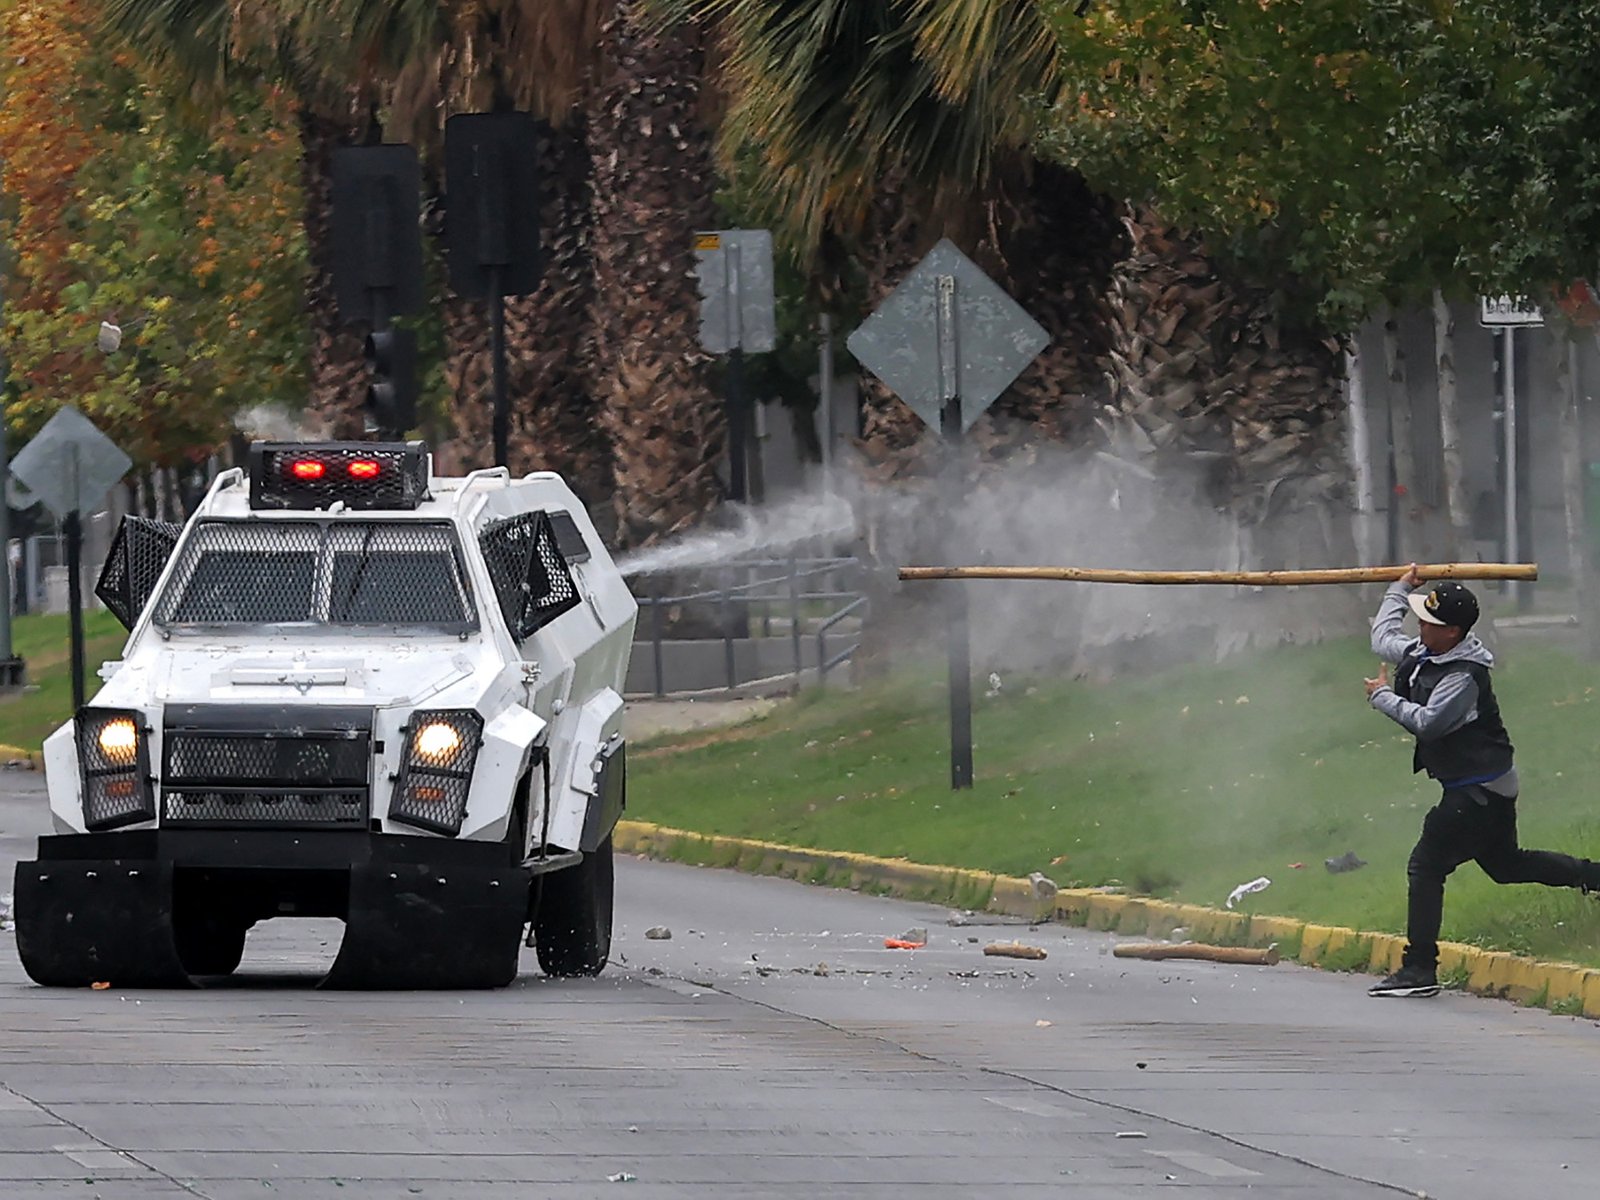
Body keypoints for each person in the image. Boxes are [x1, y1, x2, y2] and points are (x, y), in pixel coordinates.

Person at [1363, 564, 1600, 997]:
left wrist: (1383, 697)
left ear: (1452, 632)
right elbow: (1381, 637)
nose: (1419, 625)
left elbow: (1430, 724)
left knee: (1426, 865)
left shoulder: (1463, 677)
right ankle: (1596, 877)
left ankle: (1419, 969)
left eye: (1428, 621)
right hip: (1486, 786)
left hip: (1478, 791)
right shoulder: (1424, 652)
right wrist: (1399, 587)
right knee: (1507, 866)